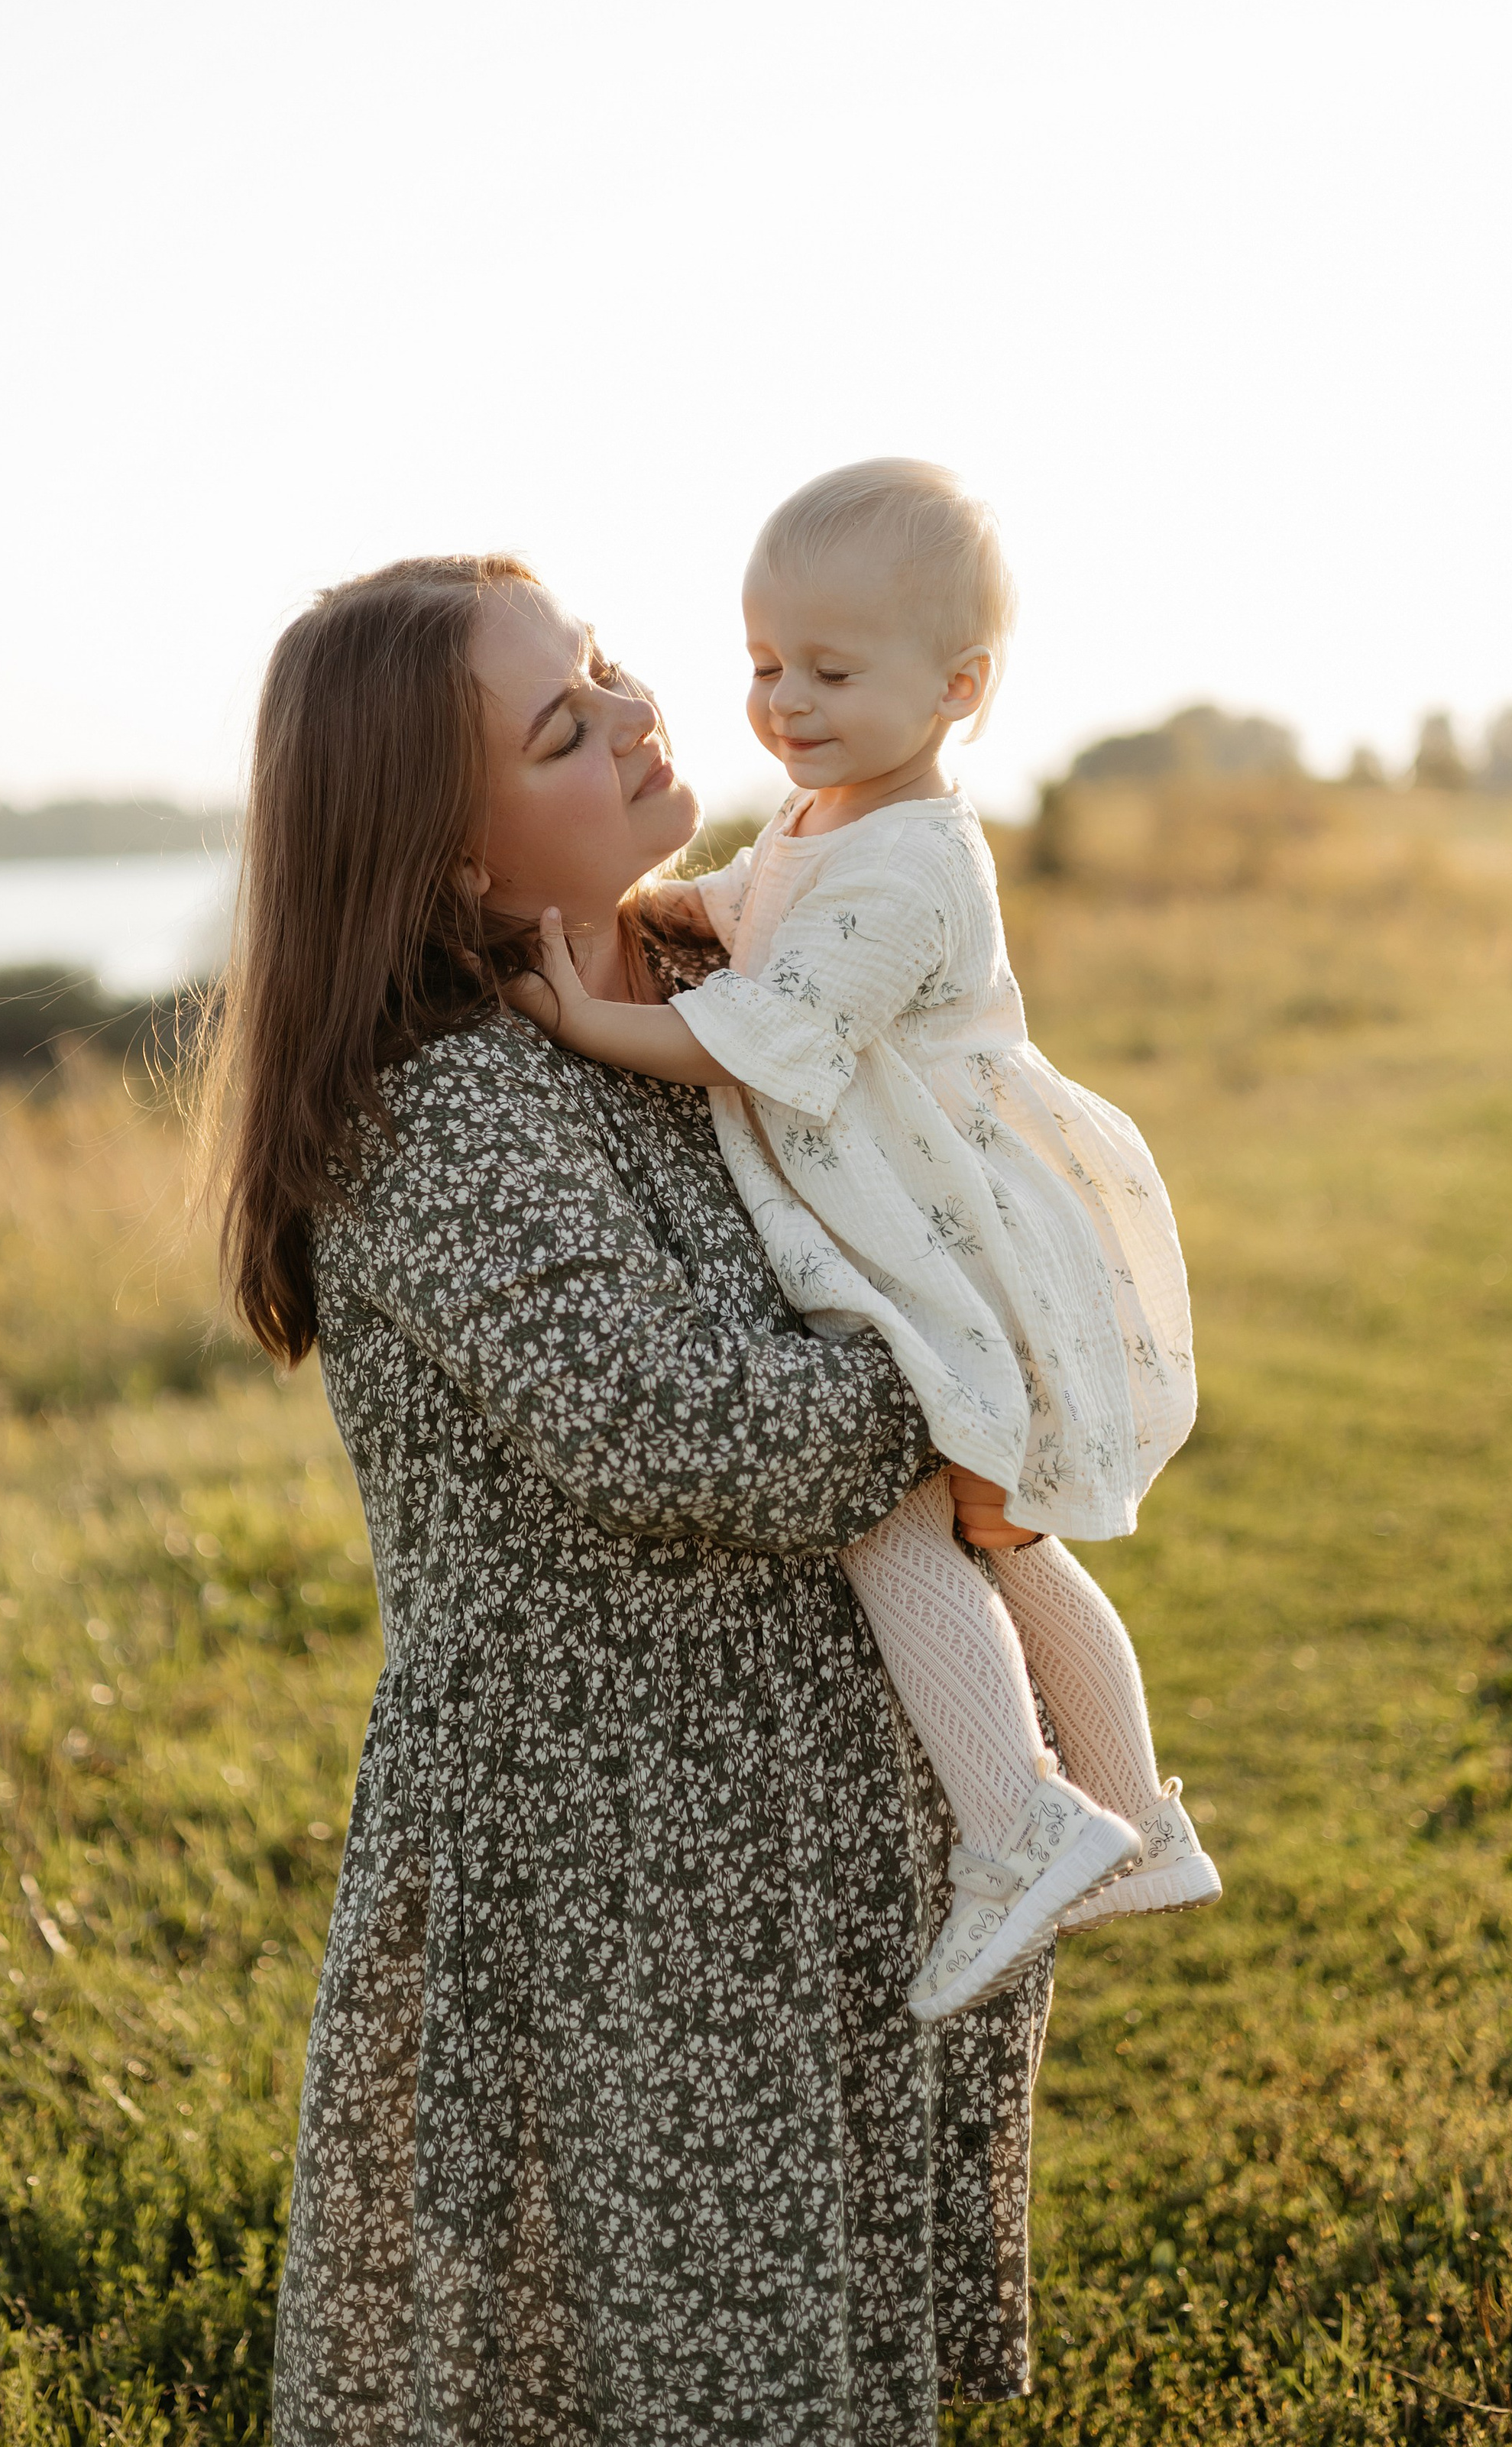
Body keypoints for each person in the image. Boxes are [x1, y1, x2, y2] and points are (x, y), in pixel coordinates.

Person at [213, 551, 1053, 2446]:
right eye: (557, 722)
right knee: (653, 2356)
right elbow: (700, 1433)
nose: (632, 712)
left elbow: (925, 1157)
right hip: (626, 1864)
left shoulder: (700, 980)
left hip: (800, 1819)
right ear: (449, 862)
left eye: (602, 669)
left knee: (810, 2344)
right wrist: (971, 1367)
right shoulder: (442, 1115)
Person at [515, 459, 1219, 2026]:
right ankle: (1135, 1820)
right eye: (764, 664)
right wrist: (667, 911)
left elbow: (780, 1029)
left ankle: (1023, 1819)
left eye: (829, 672)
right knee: (991, 1519)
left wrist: (587, 1013)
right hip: (908, 1212)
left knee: (898, 1512)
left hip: (943, 1232)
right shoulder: (828, 812)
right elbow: (752, 910)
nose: (783, 700)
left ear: (956, 688)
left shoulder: (914, 855)